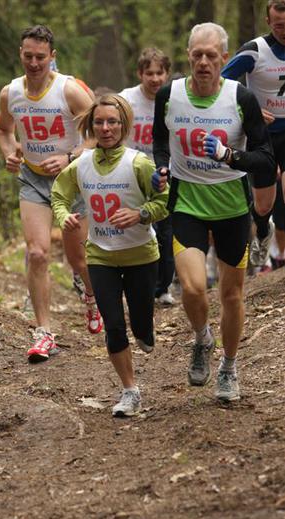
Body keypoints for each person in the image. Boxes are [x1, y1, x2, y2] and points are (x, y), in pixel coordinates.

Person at [152, 22, 276, 402]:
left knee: (231, 295)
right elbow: (159, 140)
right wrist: (161, 167)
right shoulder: (169, 94)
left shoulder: (241, 98)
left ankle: (229, 367)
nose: (204, 62)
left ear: (224, 58)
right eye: (197, 55)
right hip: (186, 203)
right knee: (192, 288)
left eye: (211, 55)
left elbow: (265, 159)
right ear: (188, 55)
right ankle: (202, 337)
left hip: (231, 208)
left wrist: (229, 155)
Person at [52, 94, 168, 417]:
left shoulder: (139, 163)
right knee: (114, 326)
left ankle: (145, 330)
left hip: (141, 255)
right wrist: (63, 217)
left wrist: (140, 214)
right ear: (91, 126)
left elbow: (164, 203)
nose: (105, 128)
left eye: (112, 122)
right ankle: (130, 391)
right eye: (99, 122)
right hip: (100, 256)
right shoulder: (81, 165)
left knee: (141, 326)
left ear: (123, 125)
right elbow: (59, 195)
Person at [0, 25, 103, 363]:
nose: (34, 63)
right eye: (28, 56)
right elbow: (4, 129)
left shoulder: (69, 91)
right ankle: (44, 332)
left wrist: (70, 157)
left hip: (72, 181)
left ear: (52, 56)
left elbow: (99, 133)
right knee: (37, 253)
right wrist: (9, 153)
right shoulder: (10, 93)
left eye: (40, 57)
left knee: (78, 259)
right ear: (20, 54)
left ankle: (91, 296)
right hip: (33, 179)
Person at [222, 0, 285, 268]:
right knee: (263, 207)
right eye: (279, 25)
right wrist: (251, 109)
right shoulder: (254, 51)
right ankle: (262, 231)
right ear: (268, 22)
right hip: (263, 136)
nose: (284, 30)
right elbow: (222, 83)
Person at [120, 47, 175, 306]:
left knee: (164, 233)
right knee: (136, 231)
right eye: (149, 73)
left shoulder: (175, 98)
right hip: (132, 173)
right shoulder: (126, 99)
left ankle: (163, 288)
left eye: (159, 73)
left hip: (165, 172)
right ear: (139, 74)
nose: (155, 79)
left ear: (167, 74)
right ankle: (134, 286)